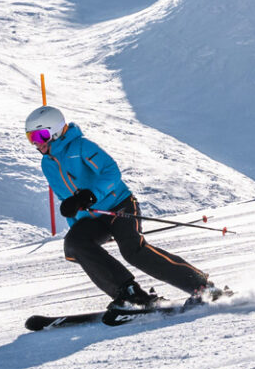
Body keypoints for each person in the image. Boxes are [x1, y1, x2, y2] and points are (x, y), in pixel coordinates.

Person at [25, 105, 218, 309]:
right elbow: (69, 198)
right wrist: (73, 213)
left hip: (120, 206)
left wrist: (90, 195)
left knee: (133, 251)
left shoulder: (81, 146)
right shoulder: (47, 164)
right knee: (75, 243)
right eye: (31, 138)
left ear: (55, 131)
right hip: (93, 218)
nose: (37, 143)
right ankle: (130, 294)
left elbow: (112, 173)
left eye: (40, 136)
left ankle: (201, 286)